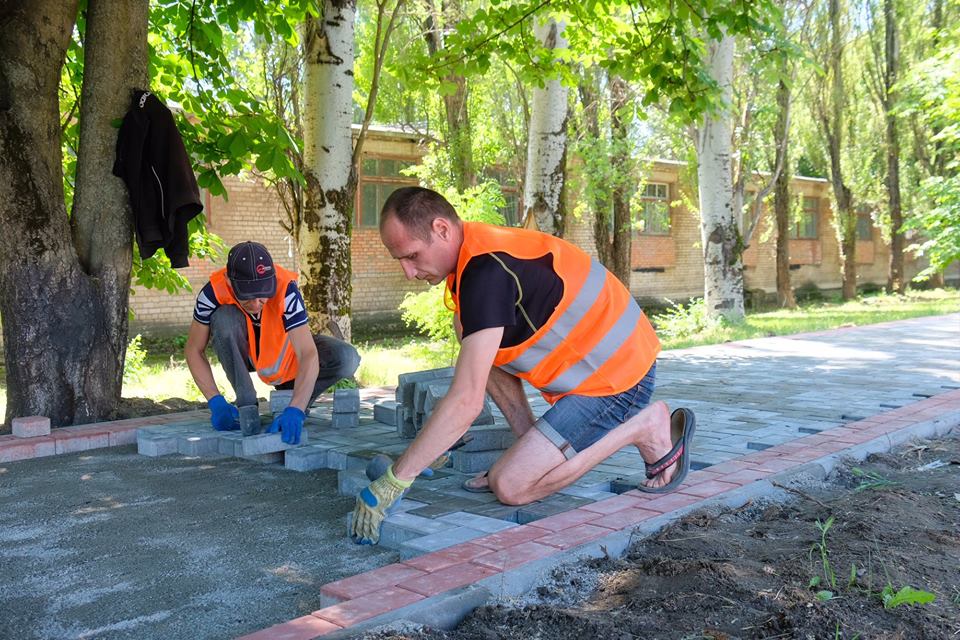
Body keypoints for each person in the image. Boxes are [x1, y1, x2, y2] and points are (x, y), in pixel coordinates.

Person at [349, 187, 696, 545]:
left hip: (618, 382)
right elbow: (479, 367)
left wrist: (396, 479)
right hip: (599, 371)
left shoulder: (487, 271)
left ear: (442, 229)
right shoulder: (477, 254)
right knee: (468, 331)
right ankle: (531, 447)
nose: (408, 272)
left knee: (512, 485)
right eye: (401, 261)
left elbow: (466, 402)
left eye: (412, 256)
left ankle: (643, 427)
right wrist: (435, 447)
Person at [185, 241, 360, 445]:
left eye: (262, 294)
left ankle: (293, 400)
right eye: (247, 296)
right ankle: (246, 404)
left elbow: (307, 353)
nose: (256, 303)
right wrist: (215, 401)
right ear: (230, 282)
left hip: (286, 357)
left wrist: (296, 408)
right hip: (245, 355)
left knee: (347, 357)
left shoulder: (286, 289)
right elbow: (193, 349)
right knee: (224, 319)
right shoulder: (212, 293)